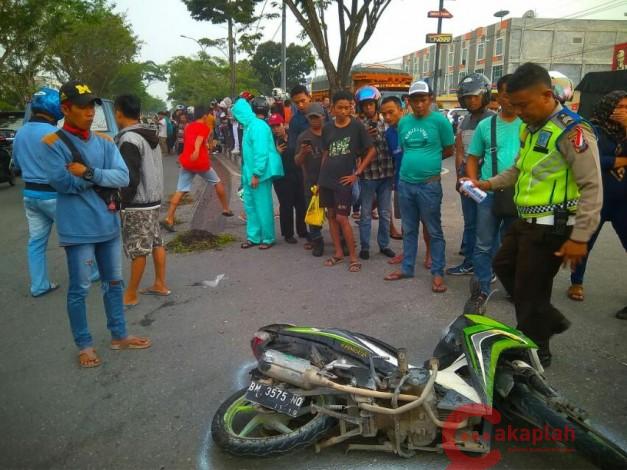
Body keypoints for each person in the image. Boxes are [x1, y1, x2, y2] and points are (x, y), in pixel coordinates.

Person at [468, 63, 602, 366]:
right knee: (503, 265)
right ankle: (547, 318)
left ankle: (536, 350)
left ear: (546, 94)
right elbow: (519, 169)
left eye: (523, 105)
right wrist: (488, 184)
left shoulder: (573, 131)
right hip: (525, 222)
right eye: (513, 105)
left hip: (551, 227)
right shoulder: (532, 129)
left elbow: (592, 186)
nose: (519, 111)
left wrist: (580, 237)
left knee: (530, 290)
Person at [42, 80, 151, 368]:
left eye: (92, 106)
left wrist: (88, 173)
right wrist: (101, 176)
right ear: (66, 108)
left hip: (108, 224)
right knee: (79, 289)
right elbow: (62, 183)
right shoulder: (52, 144)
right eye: (82, 107)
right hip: (77, 230)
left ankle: (119, 335)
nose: (90, 112)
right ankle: (84, 345)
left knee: (114, 283)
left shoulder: (104, 141)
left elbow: (123, 178)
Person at [384, 80, 454, 293]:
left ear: (430, 99)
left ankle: (438, 273)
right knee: (409, 228)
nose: (420, 104)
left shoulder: (440, 122)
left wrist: (429, 163)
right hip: (405, 183)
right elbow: (405, 148)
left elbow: (448, 149)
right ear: (410, 102)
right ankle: (407, 268)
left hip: (429, 186)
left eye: (423, 100)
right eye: (415, 100)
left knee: (434, 230)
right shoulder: (404, 123)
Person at [463, 74, 522, 313]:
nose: (509, 99)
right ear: (498, 96)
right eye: (505, 94)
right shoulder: (486, 126)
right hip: (488, 193)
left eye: (514, 94)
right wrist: (474, 181)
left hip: (519, 194)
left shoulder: (529, 124)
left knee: (513, 245)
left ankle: (514, 288)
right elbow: (473, 157)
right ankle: (482, 290)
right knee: (483, 244)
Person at [565, 90, 627, 315]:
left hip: (624, 202)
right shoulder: (591, 129)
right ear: (606, 107)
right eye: (619, 107)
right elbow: (592, 160)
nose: (623, 112)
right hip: (596, 199)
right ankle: (576, 281)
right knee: (584, 243)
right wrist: (622, 160)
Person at [113, 94, 169, 308]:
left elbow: (130, 177)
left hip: (138, 202)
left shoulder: (129, 140)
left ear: (118, 112)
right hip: (153, 199)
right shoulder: (148, 134)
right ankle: (160, 283)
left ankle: (130, 294)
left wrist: (120, 201)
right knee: (156, 242)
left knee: (138, 249)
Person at [12, 88, 65, 296]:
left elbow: (16, 164)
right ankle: (93, 272)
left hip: (30, 196)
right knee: (77, 237)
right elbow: (67, 166)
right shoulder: (54, 134)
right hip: (55, 196)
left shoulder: (21, 132)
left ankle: (39, 285)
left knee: (36, 243)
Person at [319, 90, 376, 273]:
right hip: (327, 178)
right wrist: (320, 178)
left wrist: (357, 173)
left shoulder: (357, 126)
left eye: (347, 107)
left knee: (343, 218)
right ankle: (338, 253)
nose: (344, 111)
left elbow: (371, 150)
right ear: (332, 109)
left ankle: (353, 257)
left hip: (344, 180)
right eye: (340, 108)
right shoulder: (327, 127)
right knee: (331, 217)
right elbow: (326, 152)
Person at [447, 73, 495, 276]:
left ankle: (488, 267)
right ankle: (469, 261)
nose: (471, 101)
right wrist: (459, 178)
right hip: (467, 181)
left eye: (475, 96)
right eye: (467, 97)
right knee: (471, 222)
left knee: (487, 227)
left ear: (484, 95)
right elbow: (459, 151)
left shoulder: (492, 119)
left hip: (484, 182)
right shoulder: (464, 120)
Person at [381, 96, 432, 269]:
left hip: (424, 182)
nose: (387, 117)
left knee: (426, 220)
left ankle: (430, 254)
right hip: (401, 183)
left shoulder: (416, 126)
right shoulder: (388, 133)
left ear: (401, 109)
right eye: (384, 114)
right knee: (407, 222)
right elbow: (392, 160)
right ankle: (407, 252)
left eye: (391, 112)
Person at [162, 105, 233, 231]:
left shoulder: (188, 127)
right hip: (200, 162)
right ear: (205, 115)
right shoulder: (204, 127)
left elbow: (188, 142)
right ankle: (226, 209)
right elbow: (199, 140)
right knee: (217, 182)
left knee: (180, 190)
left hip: (187, 162)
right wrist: (196, 151)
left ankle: (169, 218)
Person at [232, 96, 284, 249]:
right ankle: (254, 237)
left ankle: (268, 238)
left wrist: (256, 174)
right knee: (250, 206)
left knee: (262, 206)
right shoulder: (250, 126)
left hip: (258, 174)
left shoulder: (258, 127)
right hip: (250, 172)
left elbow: (260, 154)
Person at [354, 85, 396, 260]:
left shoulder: (387, 121)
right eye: (365, 105)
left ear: (376, 104)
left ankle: (384, 244)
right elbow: (355, 150)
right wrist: (366, 140)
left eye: (371, 104)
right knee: (365, 213)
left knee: (385, 213)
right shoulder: (357, 125)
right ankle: (365, 246)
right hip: (368, 175)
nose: (368, 108)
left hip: (386, 174)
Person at [268, 112, 308, 244]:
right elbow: (267, 158)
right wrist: (276, 152)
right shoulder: (270, 140)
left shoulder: (293, 136)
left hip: (297, 173)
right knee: (286, 205)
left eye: (277, 126)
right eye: (272, 127)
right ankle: (288, 233)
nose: (275, 129)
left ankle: (302, 230)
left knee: (301, 203)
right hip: (281, 177)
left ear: (283, 124)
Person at [295, 103, 326, 256]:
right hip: (311, 181)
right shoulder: (303, 137)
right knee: (313, 213)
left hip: (329, 179)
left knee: (334, 213)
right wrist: (302, 153)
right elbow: (297, 162)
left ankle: (341, 239)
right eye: (311, 117)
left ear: (323, 117)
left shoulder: (330, 133)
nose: (314, 120)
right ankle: (317, 241)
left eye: (316, 117)